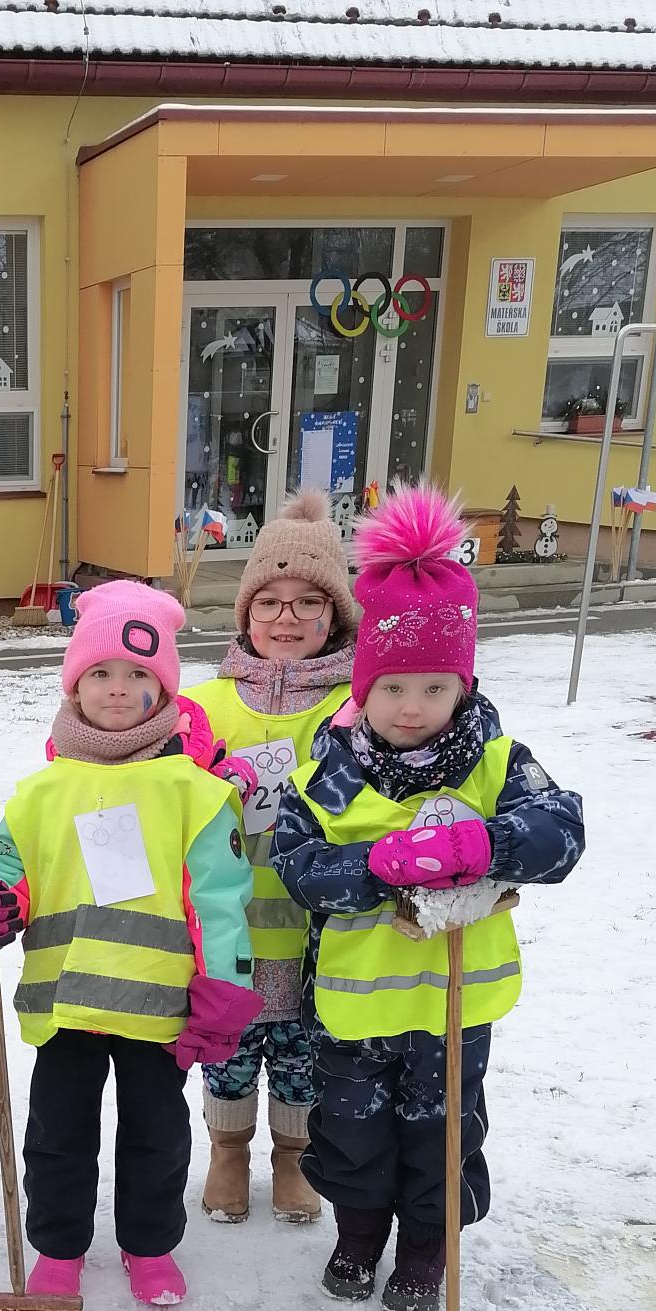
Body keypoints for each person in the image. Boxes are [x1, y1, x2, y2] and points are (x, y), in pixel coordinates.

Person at [272, 484, 585, 1311]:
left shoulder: (497, 762)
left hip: (454, 1004)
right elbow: (297, 866)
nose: (412, 708)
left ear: (462, 687)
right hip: (357, 1006)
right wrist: (375, 865)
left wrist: (488, 844)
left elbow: (563, 831)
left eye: (435, 689)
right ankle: (358, 1233)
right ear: (362, 687)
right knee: (352, 1131)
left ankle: (424, 1246)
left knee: (442, 1133)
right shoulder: (329, 774)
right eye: (393, 688)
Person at [0, 581, 259, 1308]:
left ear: (165, 688)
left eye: (139, 674)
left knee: (156, 1135)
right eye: (101, 673)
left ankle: (150, 1245)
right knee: (57, 1135)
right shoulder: (40, 793)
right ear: (74, 684)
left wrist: (225, 988)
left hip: (159, 1009)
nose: (118, 689)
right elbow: (13, 872)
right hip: (67, 1003)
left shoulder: (195, 792)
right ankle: (59, 1247)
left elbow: (218, 900)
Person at [178, 490, 357, 1227]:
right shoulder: (204, 704)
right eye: (269, 602)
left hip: (312, 930)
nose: (286, 618)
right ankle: (227, 1150)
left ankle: (292, 1158)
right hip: (229, 923)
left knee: (300, 1054)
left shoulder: (354, 708)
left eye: (308, 602)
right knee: (229, 1045)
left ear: (334, 616)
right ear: (245, 613)